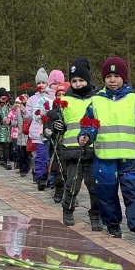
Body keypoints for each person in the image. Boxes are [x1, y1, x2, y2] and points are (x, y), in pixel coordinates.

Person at [78, 57, 135, 244]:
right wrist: (86, 135)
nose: (112, 80)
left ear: (124, 78)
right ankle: (113, 223)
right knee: (106, 192)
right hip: (104, 158)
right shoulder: (95, 101)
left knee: (134, 191)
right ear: (104, 79)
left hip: (130, 158)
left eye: (116, 76)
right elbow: (89, 124)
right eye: (108, 76)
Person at [49, 57, 101, 229]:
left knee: (95, 187)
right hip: (72, 151)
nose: (78, 84)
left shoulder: (97, 99)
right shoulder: (65, 101)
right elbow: (55, 123)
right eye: (74, 81)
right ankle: (68, 209)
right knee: (72, 185)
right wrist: (56, 127)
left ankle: (95, 214)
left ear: (88, 79)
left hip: (94, 150)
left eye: (81, 80)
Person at [0, 88, 13, 169]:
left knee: (7, 144)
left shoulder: (10, 106)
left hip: (9, 127)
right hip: (1, 128)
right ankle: (3, 159)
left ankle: (6, 159)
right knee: (2, 143)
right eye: (2, 97)